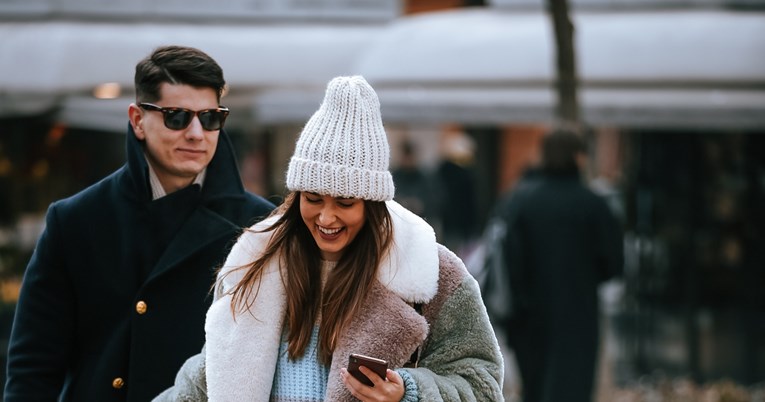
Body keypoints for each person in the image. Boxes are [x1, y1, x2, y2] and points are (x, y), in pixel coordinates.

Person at [154, 75, 504, 401]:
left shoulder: (431, 274)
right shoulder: (259, 263)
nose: (326, 217)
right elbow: (210, 374)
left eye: (345, 203)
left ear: (372, 205)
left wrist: (408, 391)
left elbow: (483, 384)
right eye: (313, 199)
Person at [4, 45, 275, 402]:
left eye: (210, 118)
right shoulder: (76, 220)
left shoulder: (259, 226)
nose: (196, 133)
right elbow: (33, 368)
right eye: (177, 116)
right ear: (137, 120)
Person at [491, 128, 623, 402]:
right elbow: (613, 265)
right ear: (579, 157)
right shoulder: (594, 205)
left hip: (528, 315)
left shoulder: (519, 201)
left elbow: (508, 260)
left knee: (534, 388)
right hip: (578, 312)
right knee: (573, 387)